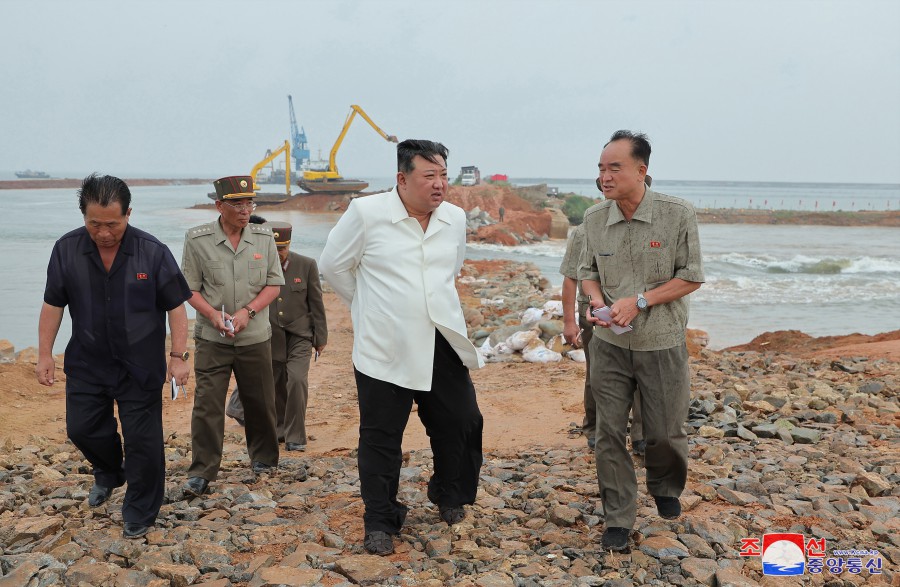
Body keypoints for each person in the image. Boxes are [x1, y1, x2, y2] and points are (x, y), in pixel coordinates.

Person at [319, 139, 484, 556]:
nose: (440, 184)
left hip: (441, 339)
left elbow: (453, 267)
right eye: (429, 176)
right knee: (381, 438)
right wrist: (370, 308)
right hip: (384, 346)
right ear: (402, 178)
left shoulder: (454, 218)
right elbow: (333, 266)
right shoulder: (367, 213)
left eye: (444, 175)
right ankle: (380, 519)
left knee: (462, 421)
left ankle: (448, 492)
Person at [36, 174, 192, 539]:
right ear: (83, 216)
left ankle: (139, 511)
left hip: (140, 364)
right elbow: (53, 304)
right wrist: (44, 354)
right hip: (87, 362)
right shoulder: (67, 249)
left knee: (144, 442)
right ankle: (109, 470)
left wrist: (178, 356)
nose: (103, 232)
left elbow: (177, 308)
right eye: (94, 224)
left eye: (112, 224)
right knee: (81, 429)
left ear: (128, 214)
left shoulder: (152, 251)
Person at [580, 131, 704, 552]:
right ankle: (618, 517)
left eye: (614, 167)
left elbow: (691, 276)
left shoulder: (677, 214)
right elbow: (586, 271)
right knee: (608, 433)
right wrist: (595, 302)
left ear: (641, 170)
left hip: (662, 343)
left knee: (665, 432)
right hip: (609, 346)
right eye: (600, 168)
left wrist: (639, 301)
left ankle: (665, 484)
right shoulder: (594, 218)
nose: (604, 176)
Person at [179, 175, 284, 497]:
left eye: (249, 203)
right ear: (219, 206)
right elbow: (188, 289)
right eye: (237, 204)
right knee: (207, 405)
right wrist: (213, 315)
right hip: (212, 340)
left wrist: (246, 312)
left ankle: (264, 459)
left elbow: (274, 283)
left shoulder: (264, 238)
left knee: (260, 401)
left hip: (253, 336)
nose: (244, 209)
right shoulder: (198, 240)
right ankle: (203, 470)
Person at [225, 221, 328, 453]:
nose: (278, 254)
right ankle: (280, 430)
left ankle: (296, 437)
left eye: (282, 248)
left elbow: (316, 304)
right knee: (277, 385)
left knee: (297, 381)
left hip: (300, 336)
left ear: (288, 244)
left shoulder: (307, 265)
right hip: (269, 336)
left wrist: (321, 337)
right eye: (274, 248)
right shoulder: (254, 267)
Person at [560, 224, 643, 453]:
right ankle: (595, 431)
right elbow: (571, 277)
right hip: (596, 314)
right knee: (597, 371)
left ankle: (641, 436)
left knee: (643, 370)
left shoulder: (647, 227)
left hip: (637, 311)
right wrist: (569, 321)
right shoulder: (585, 230)